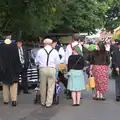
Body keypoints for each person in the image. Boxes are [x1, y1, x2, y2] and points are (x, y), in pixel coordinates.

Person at [35, 38, 60, 108]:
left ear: (44, 44)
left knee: (42, 86)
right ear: (51, 43)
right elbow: (58, 62)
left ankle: (43, 101)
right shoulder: (55, 51)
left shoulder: (40, 51)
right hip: (52, 69)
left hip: (42, 69)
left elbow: (36, 61)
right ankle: (48, 103)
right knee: (51, 87)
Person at [0, 39, 21, 106]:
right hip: (13, 68)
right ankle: (14, 100)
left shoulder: (1, 46)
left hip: (4, 68)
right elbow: (17, 58)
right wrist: (18, 68)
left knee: (5, 84)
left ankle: (6, 100)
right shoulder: (14, 46)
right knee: (14, 84)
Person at [65, 33, 83, 98]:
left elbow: (66, 57)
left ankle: (70, 93)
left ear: (72, 39)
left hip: (70, 64)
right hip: (78, 65)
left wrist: (67, 66)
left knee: (70, 79)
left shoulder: (68, 46)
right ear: (78, 39)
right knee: (78, 79)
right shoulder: (80, 46)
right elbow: (81, 56)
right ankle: (78, 94)